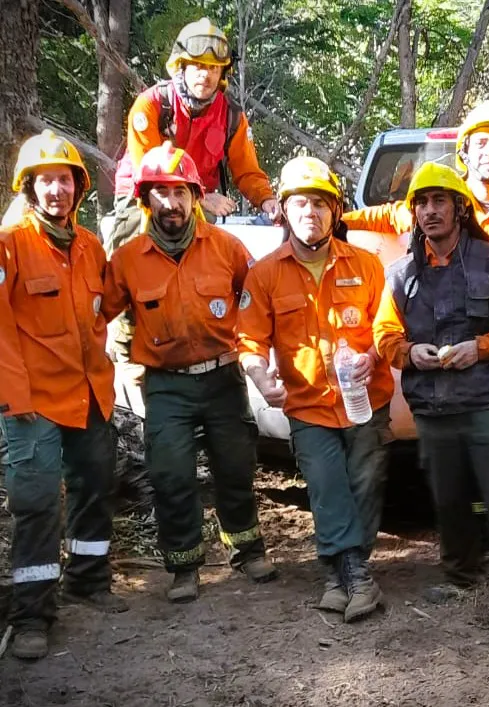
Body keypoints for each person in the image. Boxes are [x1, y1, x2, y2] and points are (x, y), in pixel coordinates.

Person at [373, 163, 489, 631]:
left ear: (460, 208)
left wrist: (478, 348)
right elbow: (383, 332)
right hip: (434, 411)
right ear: (413, 212)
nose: (430, 211)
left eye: (440, 201)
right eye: (422, 203)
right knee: (450, 497)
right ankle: (461, 574)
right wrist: (408, 352)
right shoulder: (401, 275)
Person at [344, 101, 489, 511]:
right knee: (472, 456)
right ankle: (479, 536)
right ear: (464, 152)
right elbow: (385, 216)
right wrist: (332, 217)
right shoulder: (441, 205)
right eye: (480, 144)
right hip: (460, 365)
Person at [102, 142, 277, 604]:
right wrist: (116, 360)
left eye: (181, 192)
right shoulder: (128, 259)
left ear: (196, 197)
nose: (172, 203)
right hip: (167, 385)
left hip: (223, 379)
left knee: (235, 466)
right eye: (161, 193)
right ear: (146, 199)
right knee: (172, 474)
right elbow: (97, 313)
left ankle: (247, 549)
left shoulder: (225, 247)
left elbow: (259, 296)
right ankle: (183, 566)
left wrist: (262, 352)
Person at [238, 156, 393, 622]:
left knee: (365, 485)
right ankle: (357, 576)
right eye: (301, 203)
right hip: (307, 404)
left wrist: (374, 355)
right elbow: (249, 339)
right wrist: (259, 375)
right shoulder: (265, 274)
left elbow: (388, 327)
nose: (312, 212)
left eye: (321, 203)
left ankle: (340, 573)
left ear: (335, 210)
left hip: (367, 400)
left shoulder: (366, 265)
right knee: (327, 486)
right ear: (284, 210)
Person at [0, 131, 126, 660]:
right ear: (28, 188)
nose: (57, 190)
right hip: (32, 402)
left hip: (90, 393)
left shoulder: (91, 245)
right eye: (46, 180)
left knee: (96, 486)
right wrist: (13, 395)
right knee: (34, 504)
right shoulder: (10, 244)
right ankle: (32, 613)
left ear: (78, 187)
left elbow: (108, 306)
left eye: (65, 180)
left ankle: (88, 580)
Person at [104, 17, 280, 361]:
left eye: (213, 68)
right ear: (180, 68)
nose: (205, 74)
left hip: (197, 201)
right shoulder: (151, 105)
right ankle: (124, 340)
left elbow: (247, 170)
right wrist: (201, 196)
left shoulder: (231, 115)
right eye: (198, 66)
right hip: (145, 195)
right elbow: (147, 176)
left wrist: (268, 200)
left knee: (212, 261)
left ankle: (208, 340)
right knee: (129, 244)